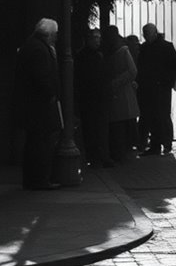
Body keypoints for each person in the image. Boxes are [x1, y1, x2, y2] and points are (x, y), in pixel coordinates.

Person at [13, 18, 62, 190]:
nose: (56, 38)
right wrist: (51, 93)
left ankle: (33, 179)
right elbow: (42, 77)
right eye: (55, 34)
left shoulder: (32, 46)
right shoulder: (39, 50)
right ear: (48, 34)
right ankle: (40, 179)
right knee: (40, 143)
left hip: (31, 105)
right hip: (39, 106)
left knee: (34, 142)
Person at [138, 23, 176, 156]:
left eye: (147, 34)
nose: (146, 36)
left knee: (162, 116)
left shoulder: (163, 47)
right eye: (144, 34)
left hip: (160, 88)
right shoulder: (147, 47)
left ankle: (165, 143)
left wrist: (167, 81)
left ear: (154, 33)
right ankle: (157, 144)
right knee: (154, 117)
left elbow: (175, 65)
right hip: (151, 88)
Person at [74, 28, 111, 167]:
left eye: (98, 38)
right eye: (95, 38)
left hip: (99, 97)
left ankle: (101, 156)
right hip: (89, 98)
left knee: (100, 129)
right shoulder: (83, 56)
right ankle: (94, 156)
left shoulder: (99, 54)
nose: (97, 41)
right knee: (91, 130)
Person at [102, 26, 139, 162]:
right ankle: (122, 152)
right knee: (121, 124)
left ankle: (120, 153)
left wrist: (115, 82)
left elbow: (132, 71)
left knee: (119, 125)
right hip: (121, 93)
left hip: (119, 92)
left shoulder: (120, 50)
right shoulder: (122, 49)